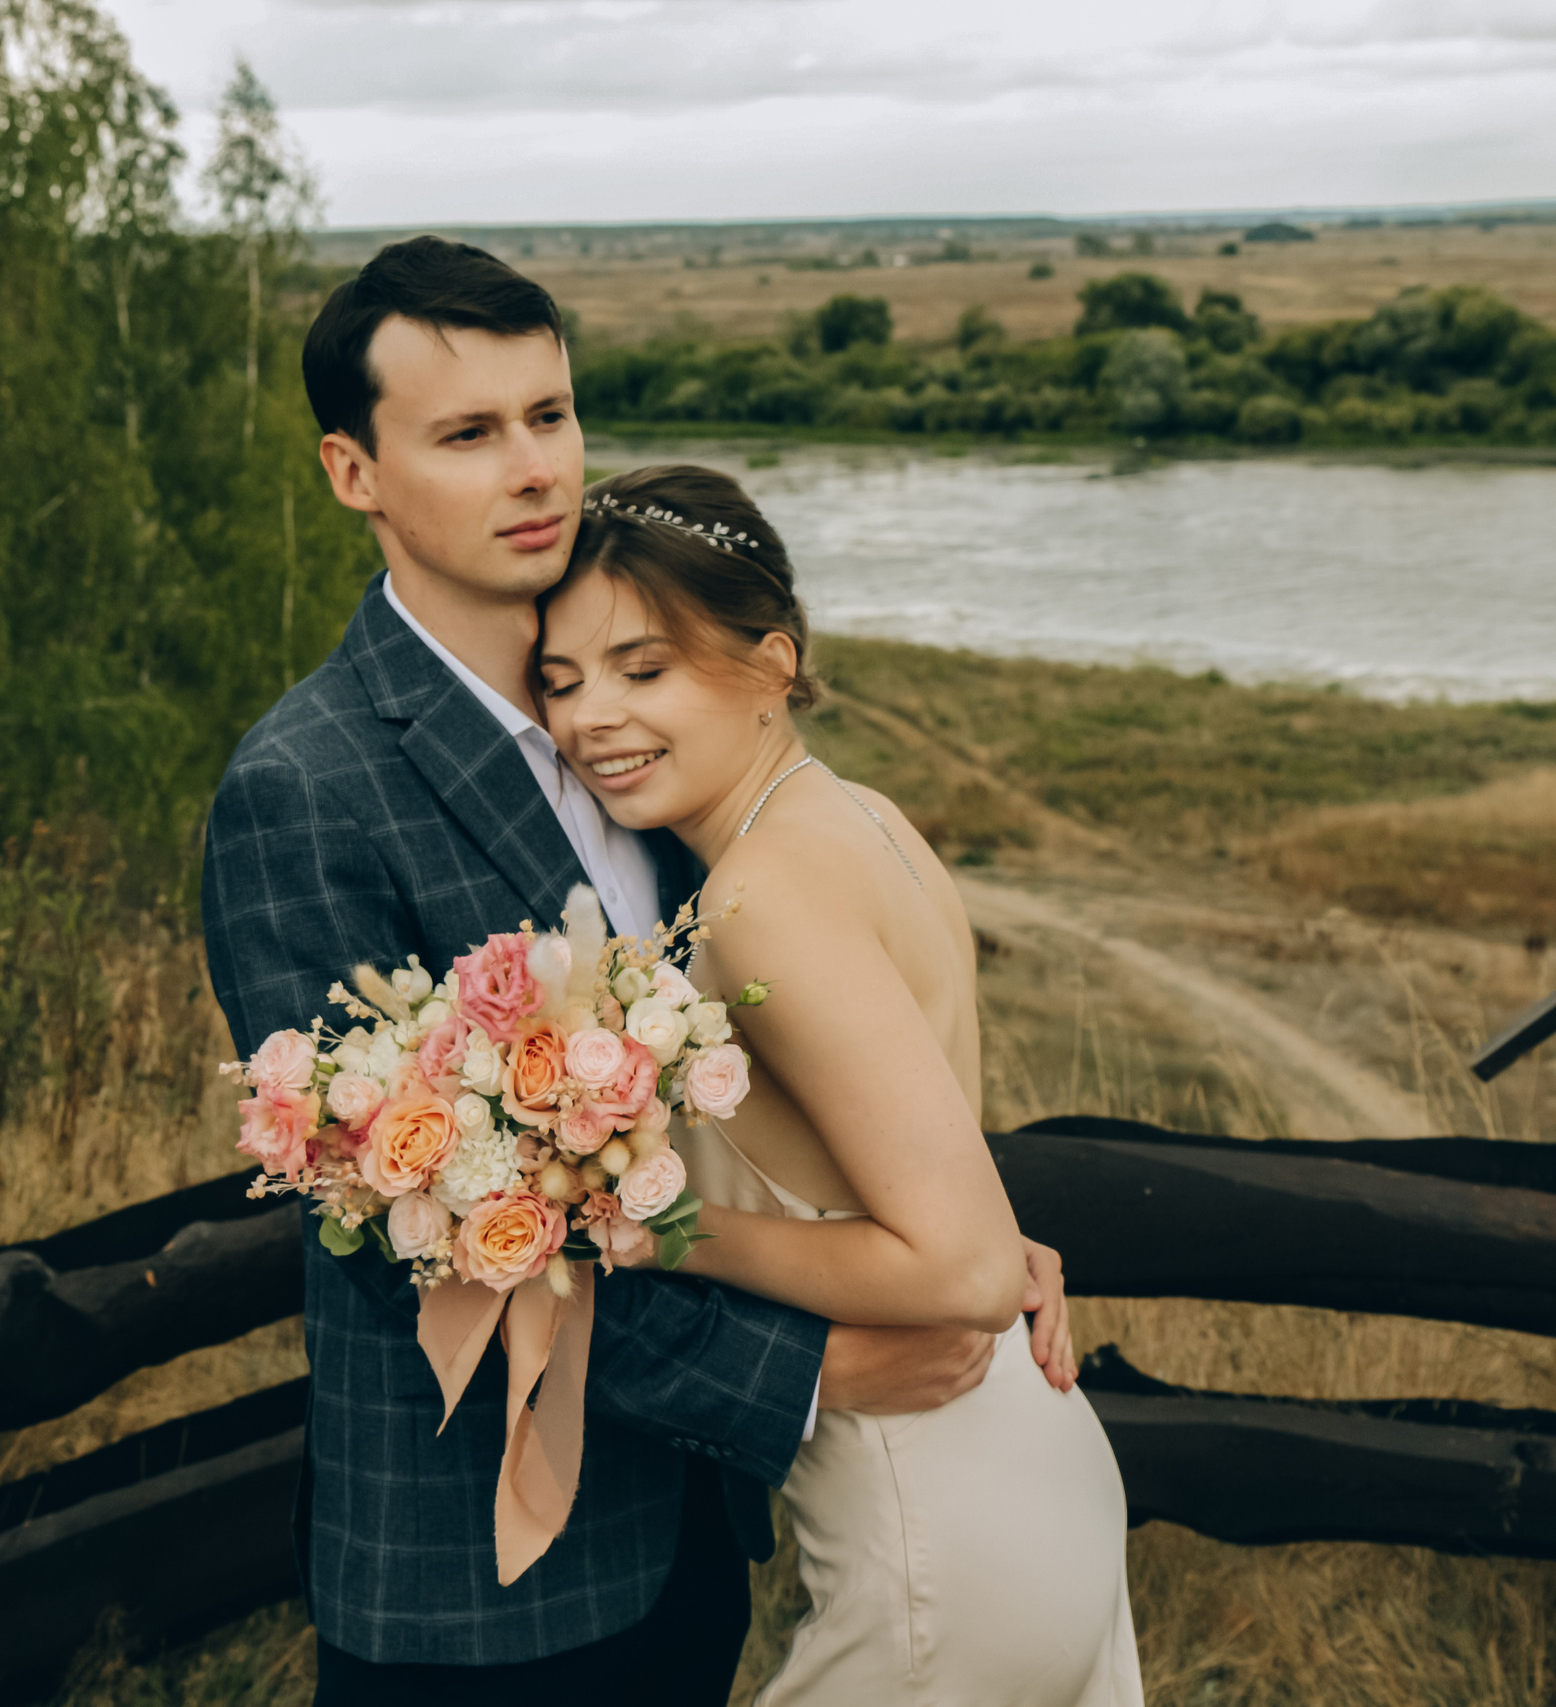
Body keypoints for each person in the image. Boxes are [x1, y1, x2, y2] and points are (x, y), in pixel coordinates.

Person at [199, 237, 1065, 1707]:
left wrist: (956, 1236)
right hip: (471, 1577)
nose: (534, 467)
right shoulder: (307, 785)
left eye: (551, 415)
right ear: (356, 472)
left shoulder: (634, 732)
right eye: (469, 433)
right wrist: (802, 1376)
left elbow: (768, 1076)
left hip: (685, 1535)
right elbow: (412, 1223)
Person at [534, 462, 1144, 1706]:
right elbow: (922, 1171)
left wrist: (671, 1237)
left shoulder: (763, 898)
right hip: (1031, 1460)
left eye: (642, 670)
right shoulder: (861, 819)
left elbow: (965, 1272)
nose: (592, 716)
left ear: (770, 665)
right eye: (561, 680)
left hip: (939, 1523)